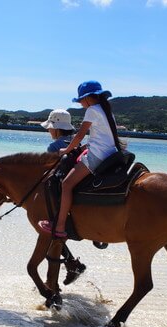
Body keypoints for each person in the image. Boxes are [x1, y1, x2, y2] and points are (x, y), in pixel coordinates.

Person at [38, 81, 118, 238]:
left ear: (87, 98)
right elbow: (101, 137)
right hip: (110, 152)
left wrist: (67, 150)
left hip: (97, 155)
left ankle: (60, 226)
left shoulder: (91, 110)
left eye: (81, 100)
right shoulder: (105, 110)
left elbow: (80, 134)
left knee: (66, 184)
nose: (80, 103)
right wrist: (83, 147)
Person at [40, 109, 87, 285]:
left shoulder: (54, 146)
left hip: (61, 194)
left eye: (50, 128)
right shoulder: (79, 140)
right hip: (79, 189)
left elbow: (49, 172)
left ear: (57, 128)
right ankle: (72, 263)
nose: (48, 131)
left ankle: (69, 266)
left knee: (52, 231)